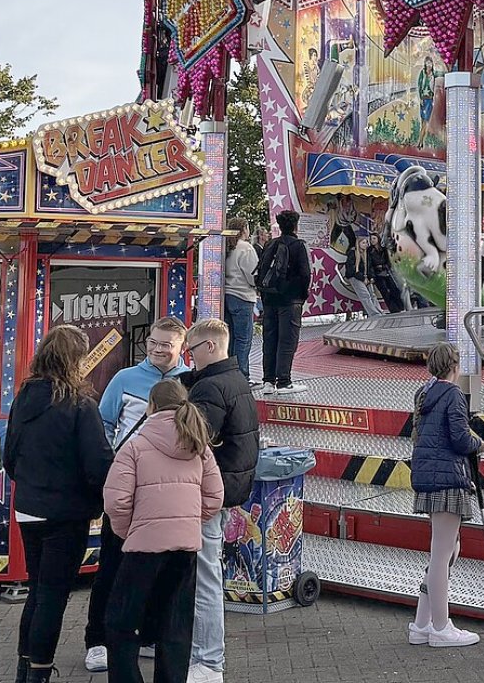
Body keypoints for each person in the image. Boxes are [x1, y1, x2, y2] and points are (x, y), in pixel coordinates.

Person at [6, 325, 113, 683]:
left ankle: (26, 667)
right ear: (76, 360)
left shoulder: (23, 397)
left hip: (29, 506)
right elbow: (97, 464)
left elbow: (10, 457)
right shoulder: (81, 404)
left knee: (37, 590)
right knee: (53, 595)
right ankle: (39, 671)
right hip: (66, 511)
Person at [86, 318, 190, 672]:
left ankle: (147, 636)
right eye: (155, 343)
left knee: (160, 573)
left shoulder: (189, 380)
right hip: (130, 490)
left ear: (181, 347)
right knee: (112, 567)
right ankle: (96, 639)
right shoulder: (124, 379)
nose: (160, 350)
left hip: (168, 499)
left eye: (167, 345)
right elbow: (104, 423)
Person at [104, 379, 223, 683]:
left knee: (121, 623)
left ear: (151, 406)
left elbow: (116, 501)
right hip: (185, 549)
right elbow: (215, 497)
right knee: (176, 626)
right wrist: (187, 522)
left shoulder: (135, 446)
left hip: (143, 547)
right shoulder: (200, 447)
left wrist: (128, 532)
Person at [183, 321, 259, 683]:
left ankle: (208, 660)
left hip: (207, 493)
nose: (189, 357)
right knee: (205, 572)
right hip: (230, 488)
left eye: (192, 350)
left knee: (205, 577)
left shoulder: (211, 387)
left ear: (210, 348)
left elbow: (191, 441)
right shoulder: (237, 379)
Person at [408, 342, 484, 649]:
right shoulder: (452, 394)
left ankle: (422, 622)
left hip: (427, 476)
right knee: (442, 555)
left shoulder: (423, 394)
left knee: (447, 550)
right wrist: (478, 443)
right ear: (455, 367)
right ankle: (441, 627)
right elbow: (459, 437)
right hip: (449, 479)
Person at [257, 209, 311, 395]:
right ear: (296, 225)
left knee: (270, 339)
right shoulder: (299, 245)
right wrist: (301, 295)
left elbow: (262, 270)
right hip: (290, 301)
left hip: (270, 298)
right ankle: (284, 381)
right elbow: (305, 275)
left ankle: (268, 382)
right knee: (287, 340)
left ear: (279, 226)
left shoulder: (271, 244)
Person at [223, 218, 260, 382]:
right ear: (244, 229)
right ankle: (242, 376)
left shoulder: (226, 246)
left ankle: (229, 372)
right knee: (243, 339)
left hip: (227, 294)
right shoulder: (246, 248)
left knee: (230, 338)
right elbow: (253, 275)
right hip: (243, 295)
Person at [330, 200, 380, 317]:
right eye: (363, 243)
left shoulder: (367, 254)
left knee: (372, 293)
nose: (366, 245)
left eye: (366, 243)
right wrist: (363, 278)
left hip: (365, 277)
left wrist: (371, 277)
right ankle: (374, 313)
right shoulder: (353, 253)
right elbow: (351, 269)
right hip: (356, 277)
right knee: (365, 295)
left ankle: (378, 311)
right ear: (358, 244)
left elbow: (370, 267)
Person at [365, 230, 405, 313]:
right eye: (371, 239)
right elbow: (369, 264)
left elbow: (389, 262)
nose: (372, 240)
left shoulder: (383, 250)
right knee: (385, 292)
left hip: (386, 272)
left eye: (374, 238)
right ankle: (394, 309)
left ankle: (400, 306)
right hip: (377, 274)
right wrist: (371, 276)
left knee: (394, 289)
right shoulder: (369, 251)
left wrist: (383, 266)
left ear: (378, 239)